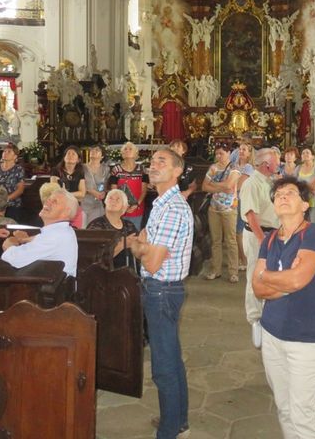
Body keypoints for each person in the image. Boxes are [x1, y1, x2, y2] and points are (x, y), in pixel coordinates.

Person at [252, 178, 315, 439]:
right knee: (284, 408)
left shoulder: (314, 234)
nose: (282, 197)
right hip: (272, 333)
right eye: (278, 194)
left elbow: (297, 280)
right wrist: (286, 280)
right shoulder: (270, 239)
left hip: (306, 339)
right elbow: (257, 288)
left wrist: (270, 276)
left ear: (305, 204)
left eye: (290, 193)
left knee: (303, 414)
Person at [126, 148, 193, 439]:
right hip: (163, 289)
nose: (153, 166)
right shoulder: (161, 203)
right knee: (172, 359)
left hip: (161, 291)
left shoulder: (172, 208)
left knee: (163, 367)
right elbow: (150, 250)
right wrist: (144, 245)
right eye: (152, 162)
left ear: (177, 171)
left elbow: (151, 260)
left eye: (161, 162)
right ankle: (178, 421)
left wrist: (136, 247)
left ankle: (168, 432)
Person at [239, 148, 280, 347]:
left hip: (271, 234)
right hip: (258, 235)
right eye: (276, 160)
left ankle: (269, 311)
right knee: (255, 274)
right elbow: (251, 214)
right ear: (266, 164)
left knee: (270, 274)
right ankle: (255, 318)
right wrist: (262, 239)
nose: (278, 163)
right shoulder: (251, 184)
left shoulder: (269, 182)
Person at [1, 189, 79, 277]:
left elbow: (16, 259)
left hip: (51, 289)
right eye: (49, 199)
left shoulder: (55, 236)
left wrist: (9, 246)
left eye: (55, 201)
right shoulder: (64, 231)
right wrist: (26, 239)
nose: (48, 202)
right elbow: (46, 239)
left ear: (66, 212)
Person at [202, 143, 240, 283]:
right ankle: (216, 270)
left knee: (231, 240)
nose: (218, 156)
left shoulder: (234, 168)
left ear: (229, 153)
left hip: (229, 209)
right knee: (215, 241)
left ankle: (233, 272)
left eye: (221, 153)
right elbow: (204, 186)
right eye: (217, 153)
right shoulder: (213, 167)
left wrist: (214, 185)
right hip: (214, 209)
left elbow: (230, 186)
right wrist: (221, 186)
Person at [87, 188, 138, 271]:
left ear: (124, 207)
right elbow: (94, 258)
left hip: (127, 274)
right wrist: (122, 245)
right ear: (105, 203)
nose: (113, 201)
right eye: (110, 198)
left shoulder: (129, 226)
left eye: (118, 200)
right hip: (104, 275)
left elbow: (138, 252)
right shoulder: (96, 225)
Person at [109, 142, 149, 230]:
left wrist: (136, 204)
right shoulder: (116, 170)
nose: (127, 150)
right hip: (119, 208)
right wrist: (123, 206)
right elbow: (113, 190)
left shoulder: (142, 170)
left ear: (136, 153)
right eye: (125, 149)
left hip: (137, 208)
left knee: (134, 233)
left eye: (130, 149)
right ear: (122, 154)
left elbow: (144, 190)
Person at [234, 140, 256, 271]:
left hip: (241, 200)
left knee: (239, 232)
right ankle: (237, 258)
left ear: (249, 154)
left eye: (244, 150)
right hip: (232, 198)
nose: (241, 151)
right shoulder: (233, 165)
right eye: (239, 149)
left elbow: (238, 185)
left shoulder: (248, 168)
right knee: (234, 232)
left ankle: (244, 259)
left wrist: (227, 185)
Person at [0, 142, 25, 217]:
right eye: (4, 151)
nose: (5, 153)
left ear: (15, 156)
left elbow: (20, 189)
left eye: (9, 152)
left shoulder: (18, 169)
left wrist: (6, 199)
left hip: (11, 204)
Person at [296, 147, 315, 225]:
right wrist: (307, 185)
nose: (305, 154)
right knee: (303, 226)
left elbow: (313, 186)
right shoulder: (298, 168)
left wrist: (300, 183)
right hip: (302, 201)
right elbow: (293, 184)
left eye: (307, 153)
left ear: (313, 156)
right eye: (303, 153)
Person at [82, 145, 109, 224]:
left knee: (95, 227)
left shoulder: (105, 169)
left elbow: (105, 183)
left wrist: (103, 192)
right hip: (84, 202)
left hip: (97, 202)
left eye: (97, 150)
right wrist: (90, 191)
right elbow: (78, 183)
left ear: (102, 156)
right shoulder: (82, 167)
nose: (93, 151)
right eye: (92, 150)